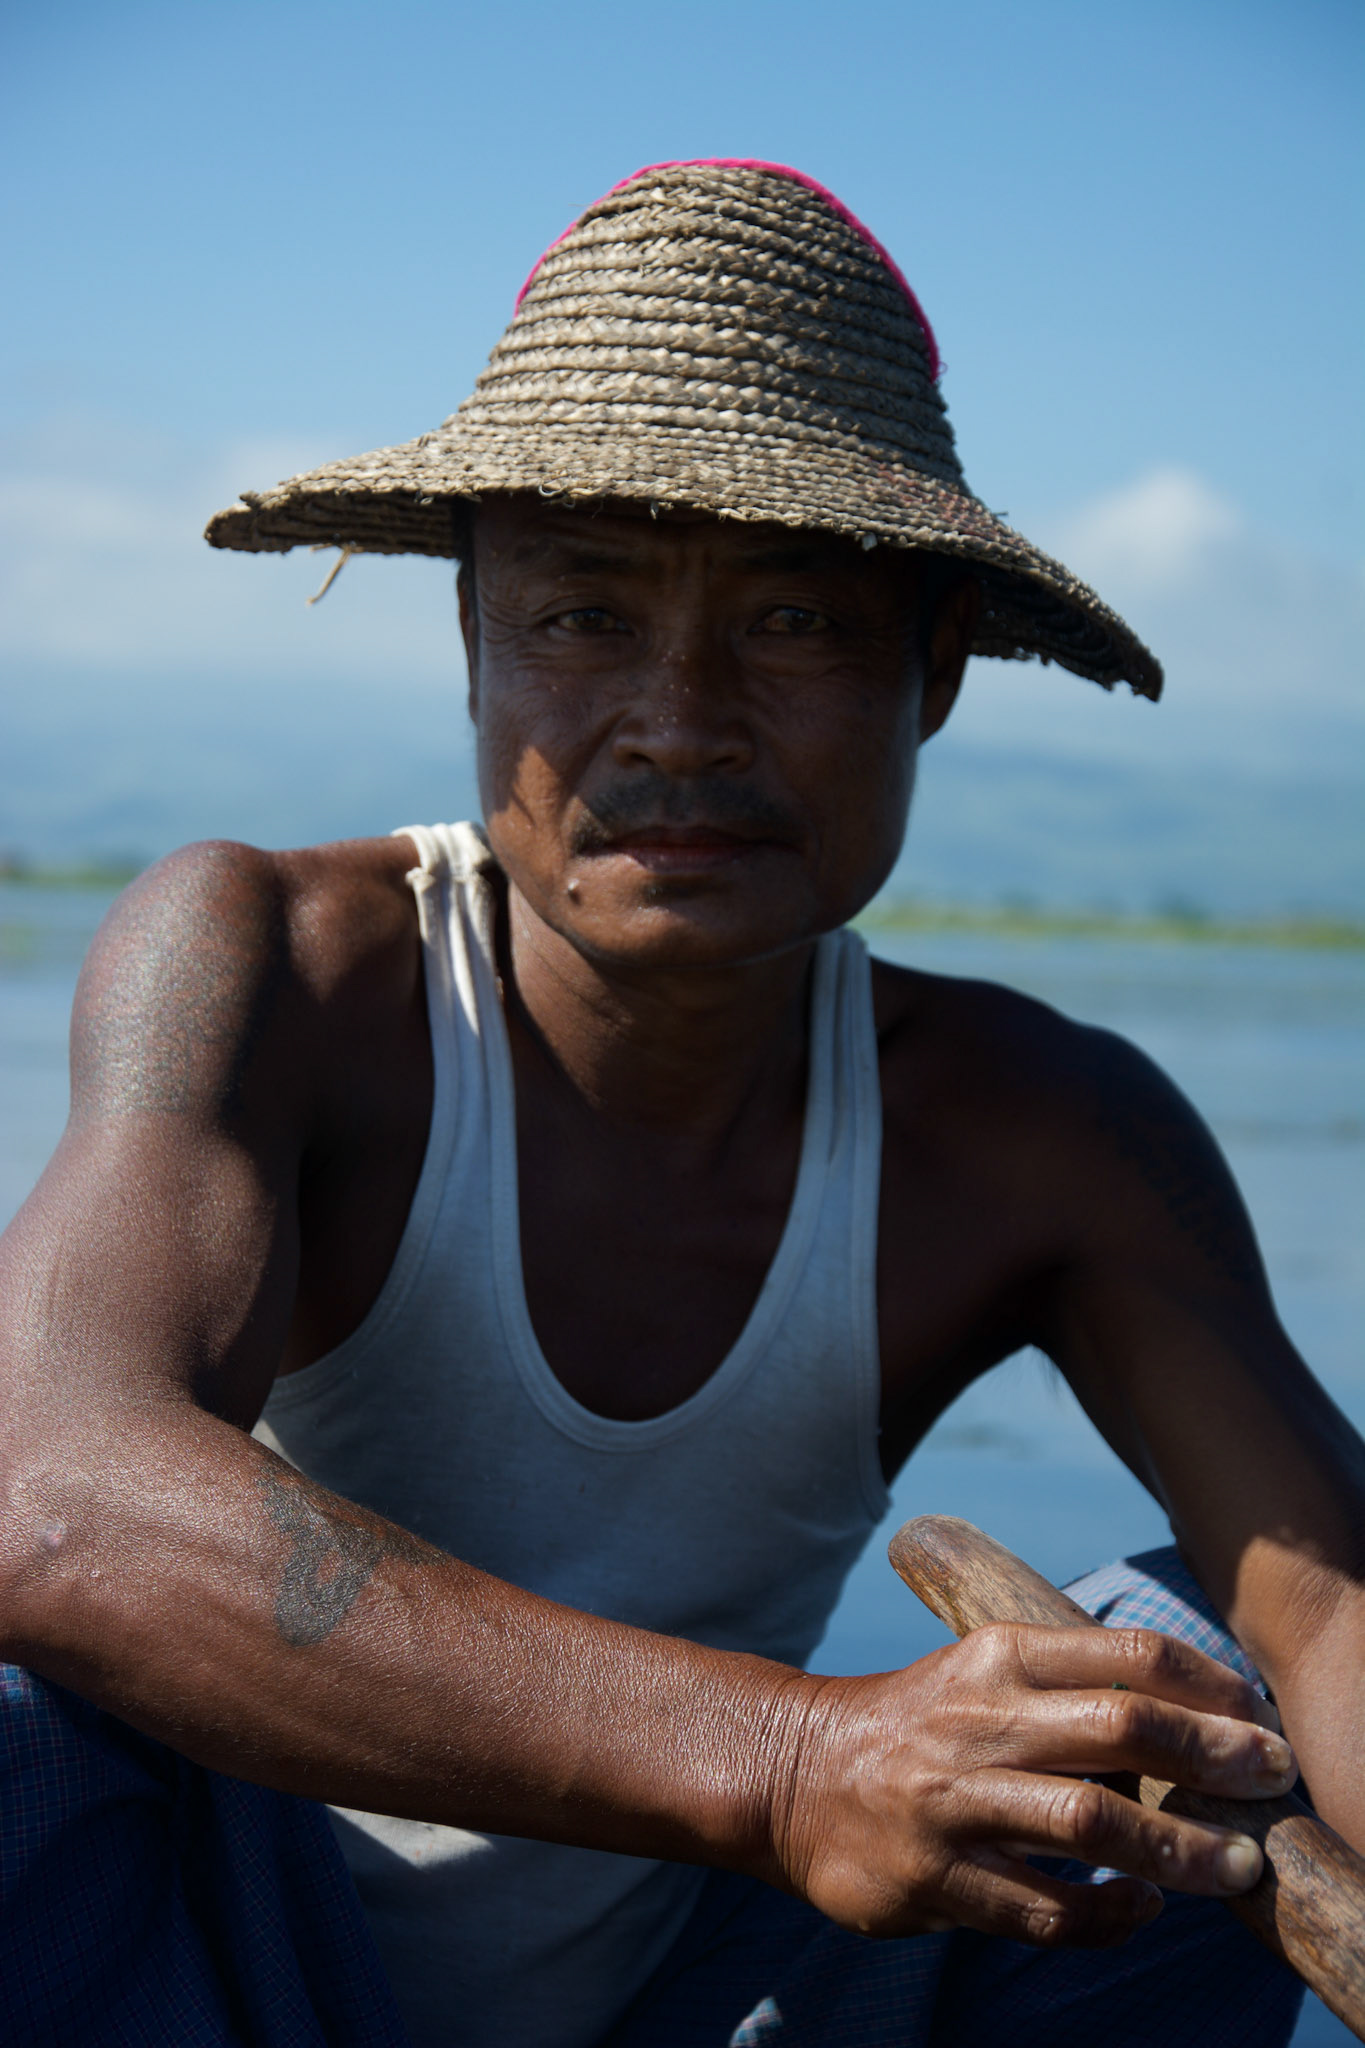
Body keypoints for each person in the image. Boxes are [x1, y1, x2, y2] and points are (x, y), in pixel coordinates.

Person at [1, 160, 1360, 2048]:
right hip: (221, 1970)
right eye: (579, 616)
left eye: (795, 624)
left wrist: (854, 1783)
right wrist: (797, 1764)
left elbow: (1327, 1603)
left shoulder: (1042, 1129)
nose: (679, 721)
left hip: (719, 1996)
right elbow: (48, 1495)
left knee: (1206, 1684)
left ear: (933, 675)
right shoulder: (273, 966)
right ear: (471, 644)